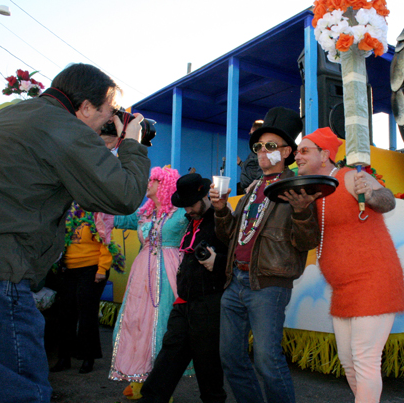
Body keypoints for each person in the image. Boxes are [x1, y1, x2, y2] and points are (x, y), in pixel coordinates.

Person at [0, 63, 150, 403]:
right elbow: (123, 195)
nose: (108, 121)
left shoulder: (21, 115)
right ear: (85, 108)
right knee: (21, 391)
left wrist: (100, 146)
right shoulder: (62, 127)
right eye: (108, 113)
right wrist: (131, 145)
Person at [210, 106, 321, 403]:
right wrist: (220, 211)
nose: (262, 152)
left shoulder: (298, 186)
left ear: (286, 152)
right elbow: (230, 236)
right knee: (230, 358)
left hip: (270, 285)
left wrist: (301, 211)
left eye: (270, 146)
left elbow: (308, 241)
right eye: (258, 146)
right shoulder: (251, 187)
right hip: (234, 282)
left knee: (267, 362)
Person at [293, 127, 404, 403]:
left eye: (304, 150)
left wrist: (369, 192)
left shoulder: (352, 176)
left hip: (373, 282)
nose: (298, 156)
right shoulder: (310, 190)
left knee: (364, 358)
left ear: (325, 154)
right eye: (298, 150)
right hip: (342, 290)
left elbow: (386, 201)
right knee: (348, 361)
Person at [139, 173, 228, 403]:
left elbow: (234, 260)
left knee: (207, 361)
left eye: (191, 204)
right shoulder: (190, 221)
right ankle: (150, 399)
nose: (188, 209)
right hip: (184, 300)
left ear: (204, 196)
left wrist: (216, 262)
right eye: (185, 205)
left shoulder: (221, 219)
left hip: (209, 302)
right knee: (170, 353)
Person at [109, 166, 192, 400]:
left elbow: (202, 222)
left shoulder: (181, 213)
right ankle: (139, 380)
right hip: (142, 273)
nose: (148, 183)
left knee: (164, 324)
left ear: (163, 184)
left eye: (152, 180)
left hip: (170, 270)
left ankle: (161, 385)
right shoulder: (145, 213)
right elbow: (116, 217)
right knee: (137, 323)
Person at [50, 202, 124, 374]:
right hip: (68, 270)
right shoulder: (68, 215)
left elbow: (106, 243)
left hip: (91, 270)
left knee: (86, 314)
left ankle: (88, 358)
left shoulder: (97, 215)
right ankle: (64, 357)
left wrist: (102, 269)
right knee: (66, 313)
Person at [238, 120, 264, 193]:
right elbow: (251, 168)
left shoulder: (260, 151)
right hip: (249, 190)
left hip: (254, 191)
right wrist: (240, 163)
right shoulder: (253, 152)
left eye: (251, 134)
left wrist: (254, 185)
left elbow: (261, 171)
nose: (249, 134)